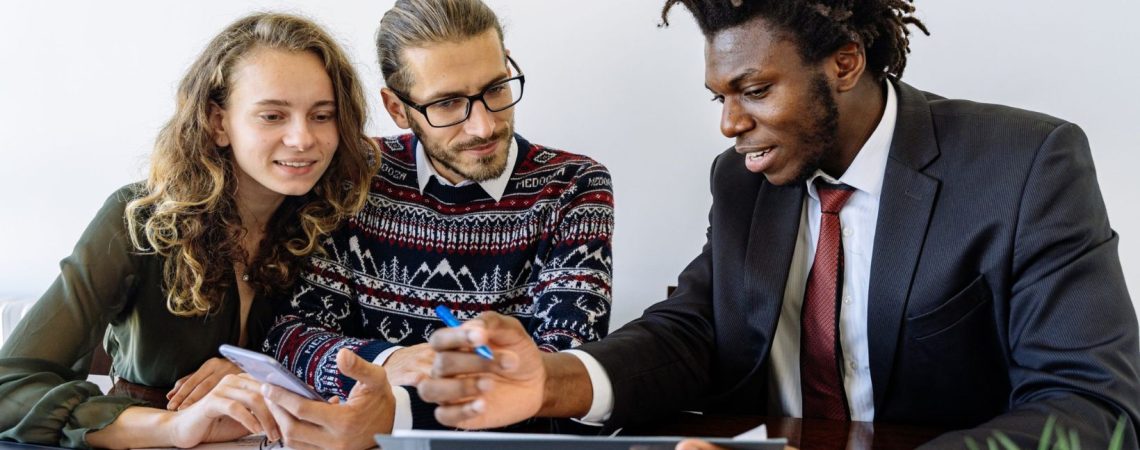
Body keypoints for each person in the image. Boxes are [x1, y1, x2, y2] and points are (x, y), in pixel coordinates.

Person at [418, 0, 1140, 448]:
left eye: (755, 91)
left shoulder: (1026, 164)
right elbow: (692, 330)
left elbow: (1092, 406)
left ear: (846, 63)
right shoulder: (744, 181)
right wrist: (552, 381)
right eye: (720, 97)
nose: (731, 124)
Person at [0, 12, 378, 449]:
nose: (302, 139)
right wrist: (175, 427)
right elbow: (9, 388)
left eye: (322, 115)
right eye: (272, 116)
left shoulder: (342, 218)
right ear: (219, 123)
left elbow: (372, 360)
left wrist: (264, 370)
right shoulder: (137, 219)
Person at [257, 0, 614, 447]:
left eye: (497, 88)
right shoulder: (354, 173)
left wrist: (394, 409)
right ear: (398, 109)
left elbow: (562, 375)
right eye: (447, 103)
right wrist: (390, 362)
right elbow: (289, 335)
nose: (484, 126)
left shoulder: (575, 185)